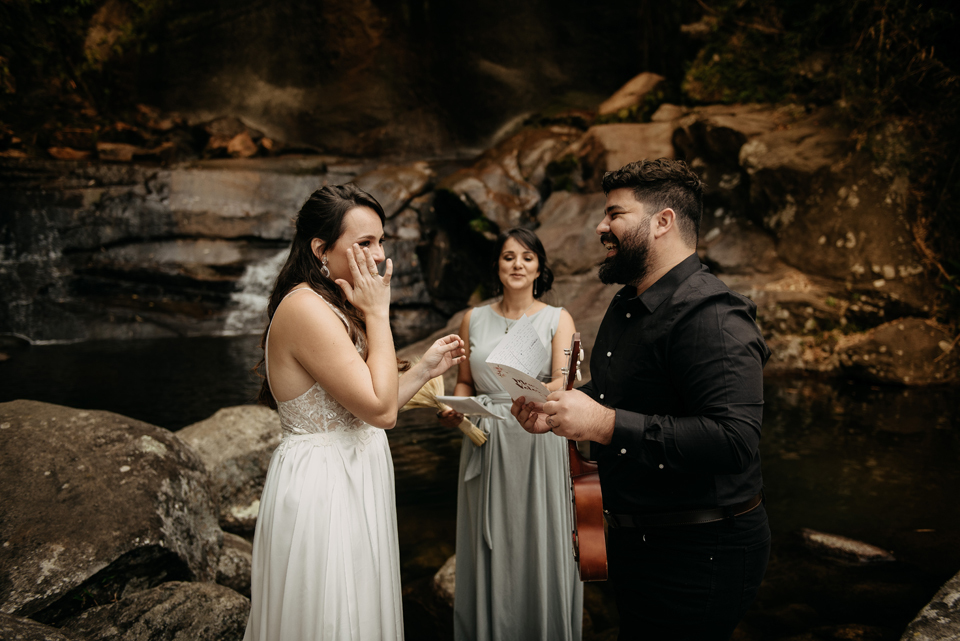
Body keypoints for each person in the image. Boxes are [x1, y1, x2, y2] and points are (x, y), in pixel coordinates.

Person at [512, 159, 771, 641]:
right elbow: (619, 397)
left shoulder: (714, 317)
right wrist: (561, 406)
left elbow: (735, 440)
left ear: (663, 221)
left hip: (701, 550)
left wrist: (604, 424)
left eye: (615, 214)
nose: (600, 226)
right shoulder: (628, 302)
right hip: (637, 541)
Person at [244, 184, 465, 641]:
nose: (380, 255)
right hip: (324, 485)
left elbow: (366, 407)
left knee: (358, 612)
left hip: (356, 471)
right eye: (364, 243)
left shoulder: (336, 303)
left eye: (381, 241)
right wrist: (379, 315)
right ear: (320, 249)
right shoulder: (306, 308)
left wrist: (423, 370)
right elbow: (382, 411)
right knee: (328, 617)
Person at [438, 228, 583, 641]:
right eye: (508, 257)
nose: (517, 265)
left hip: (539, 437)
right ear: (497, 267)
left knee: (540, 538)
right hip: (485, 437)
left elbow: (564, 382)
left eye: (527, 257)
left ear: (540, 267)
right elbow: (465, 381)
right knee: (491, 544)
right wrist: (454, 406)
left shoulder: (558, 318)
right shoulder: (474, 318)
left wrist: (527, 390)